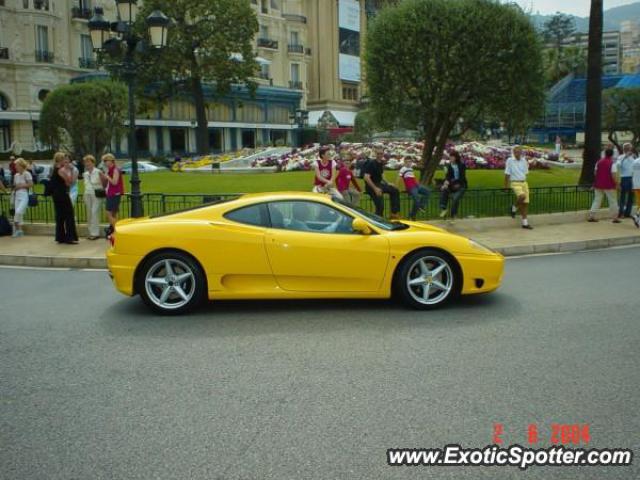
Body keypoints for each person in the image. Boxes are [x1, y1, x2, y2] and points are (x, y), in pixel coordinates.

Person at [363, 145, 400, 219]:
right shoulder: (371, 163)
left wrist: (388, 183)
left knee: (395, 190)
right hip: (371, 186)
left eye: (381, 154)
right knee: (380, 205)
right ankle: (378, 220)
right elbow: (366, 177)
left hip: (379, 184)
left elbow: (382, 174)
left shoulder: (380, 163)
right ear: (375, 154)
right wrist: (375, 189)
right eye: (378, 154)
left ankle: (394, 213)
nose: (380, 155)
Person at [50, 152, 78, 244]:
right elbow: (70, 181)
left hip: (56, 195)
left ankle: (60, 237)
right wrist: (71, 170)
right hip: (62, 194)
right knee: (69, 215)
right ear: (61, 159)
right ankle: (70, 237)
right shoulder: (61, 170)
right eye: (64, 159)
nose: (66, 161)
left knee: (60, 216)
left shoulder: (55, 168)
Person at [588, 148, 621, 223]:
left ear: (605, 153)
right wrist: (617, 184)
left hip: (598, 184)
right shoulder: (612, 163)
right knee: (613, 201)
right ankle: (615, 217)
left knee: (597, 200)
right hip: (609, 185)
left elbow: (595, 173)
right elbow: (614, 175)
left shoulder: (598, 162)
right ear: (612, 154)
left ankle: (591, 216)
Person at [505, 146, 533, 229]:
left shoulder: (524, 161)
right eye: (515, 152)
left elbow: (525, 172)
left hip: (524, 183)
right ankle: (514, 206)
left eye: (518, 152)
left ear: (521, 152)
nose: (517, 153)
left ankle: (525, 223)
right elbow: (507, 174)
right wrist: (506, 186)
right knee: (522, 196)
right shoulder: (510, 161)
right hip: (515, 183)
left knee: (525, 204)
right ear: (513, 153)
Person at [397, 155, 430, 221]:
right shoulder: (403, 169)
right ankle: (412, 215)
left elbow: (412, 178)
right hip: (411, 187)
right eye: (407, 162)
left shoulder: (411, 168)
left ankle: (421, 206)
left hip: (416, 185)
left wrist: (417, 183)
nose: (409, 163)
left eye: (410, 162)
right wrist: (396, 187)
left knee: (427, 191)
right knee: (417, 199)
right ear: (404, 162)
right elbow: (399, 178)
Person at [99, 153, 124, 236]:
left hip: (114, 194)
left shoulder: (115, 169)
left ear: (111, 161)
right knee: (113, 214)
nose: (105, 162)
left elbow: (114, 182)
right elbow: (107, 184)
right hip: (111, 193)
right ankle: (115, 231)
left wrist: (107, 176)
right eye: (104, 161)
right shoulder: (110, 170)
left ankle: (118, 230)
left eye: (106, 160)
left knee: (108, 213)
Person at [439, 151, 468, 219]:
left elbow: (462, 177)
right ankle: (443, 208)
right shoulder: (449, 166)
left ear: (456, 158)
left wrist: (457, 183)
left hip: (461, 185)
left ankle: (453, 214)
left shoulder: (461, 165)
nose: (450, 158)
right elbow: (448, 176)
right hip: (452, 185)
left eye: (452, 157)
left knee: (455, 198)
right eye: (450, 157)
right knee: (444, 189)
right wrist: (446, 183)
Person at [82, 155, 104, 240]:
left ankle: (95, 233)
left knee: (95, 212)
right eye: (86, 162)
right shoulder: (85, 174)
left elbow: (104, 183)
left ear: (93, 163)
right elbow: (86, 185)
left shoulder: (98, 171)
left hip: (97, 194)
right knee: (89, 213)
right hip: (87, 194)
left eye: (89, 162)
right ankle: (91, 232)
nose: (87, 164)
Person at [10, 158, 33, 237]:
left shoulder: (27, 173)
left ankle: (15, 227)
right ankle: (19, 230)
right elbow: (14, 186)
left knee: (18, 212)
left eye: (16, 165)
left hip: (24, 195)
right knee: (18, 213)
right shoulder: (16, 175)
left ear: (21, 165)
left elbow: (31, 184)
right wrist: (14, 188)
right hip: (17, 195)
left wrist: (21, 186)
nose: (15, 166)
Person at [615, 143, 635, 219]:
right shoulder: (620, 157)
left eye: (630, 148)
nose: (629, 149)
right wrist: (625, 157)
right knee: (623, 196)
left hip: (632, 178)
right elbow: (618, 165)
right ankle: (621, 213)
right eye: (628, 148)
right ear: (624, 149)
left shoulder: (633, 157)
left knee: (631, 196)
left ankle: (628, 213)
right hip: (624, 178)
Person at [632, 155, 640, 228]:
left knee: (639, 203)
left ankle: (638, 220)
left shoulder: (635, 161)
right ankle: (636, 215)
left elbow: (632, 173)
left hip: (636, 185)